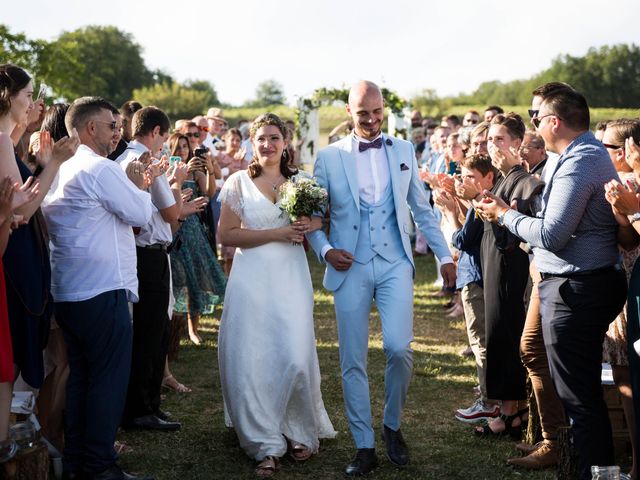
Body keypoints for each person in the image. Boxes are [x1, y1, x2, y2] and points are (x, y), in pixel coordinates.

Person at [475, 84, 626, 480]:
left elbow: (554, 233)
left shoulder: (582, 161)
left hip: (578, 290)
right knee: (579, 393)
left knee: (580, 396)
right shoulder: (571, 157)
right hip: (569, 285)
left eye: (536, 117)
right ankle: (590, 467)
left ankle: (597, 472)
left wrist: (505, 214)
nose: (533, 125)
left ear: (554, 122)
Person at [307, 81, 455, 476]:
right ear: (348, 112)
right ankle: (364, 445)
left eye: (377, 113)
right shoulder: (328, 158)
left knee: (399, 349)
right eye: (363, 114)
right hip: (349, 264)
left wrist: (444, 255)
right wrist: (324, 250)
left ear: (383, 109)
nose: (371, 121)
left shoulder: (404, 150)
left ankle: (391, 424)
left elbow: (422, 211)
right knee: (352, 358)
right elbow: (312, 218)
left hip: (394, 262)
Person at [41, 96, 154, 480]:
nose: (117, 134)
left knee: (83, 382)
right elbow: (140, 214)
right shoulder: (100, 169)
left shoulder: (57, 170)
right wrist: (138, 185)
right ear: (91, 128)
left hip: (68, 292)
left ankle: (78, 464)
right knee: (106, 382)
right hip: (103, 291)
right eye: (112, 126)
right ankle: (100, 466)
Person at [217, 113, 335, 477]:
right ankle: (264, 443)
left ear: (285, 142)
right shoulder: (239, 181)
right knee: (254, 356)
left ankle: (298, 427)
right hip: (252, 277)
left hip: (290, 277)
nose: (267, 144)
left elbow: (322, 218)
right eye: (261, 138)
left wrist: (308, 224)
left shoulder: (301, 181)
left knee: (295, 353)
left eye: (274, 138)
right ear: (252, 142)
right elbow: (227, 235)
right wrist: (277, 234)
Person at [472, 113, 544, 439]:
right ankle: (506, 408)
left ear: (517, 144)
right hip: (491, 264)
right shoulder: (502, 178)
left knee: (506, 334)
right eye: (489, 140)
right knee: (496, 334)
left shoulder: (523, 180)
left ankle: (511, 411)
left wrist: (498, 213)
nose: (492, 146)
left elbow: (514, 236)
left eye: (498, 139)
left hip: (510, 271)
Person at [116, 107, 183, 432]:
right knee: (151, 333)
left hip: (142, 253)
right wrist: (175, 184)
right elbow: (171, 214)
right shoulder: (144, 161)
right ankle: (142, 408)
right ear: (155, 131)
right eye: (165, 138)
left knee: (150, 330)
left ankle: (148, 404)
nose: (164, 146)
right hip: (148, 255)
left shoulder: (122, 157)